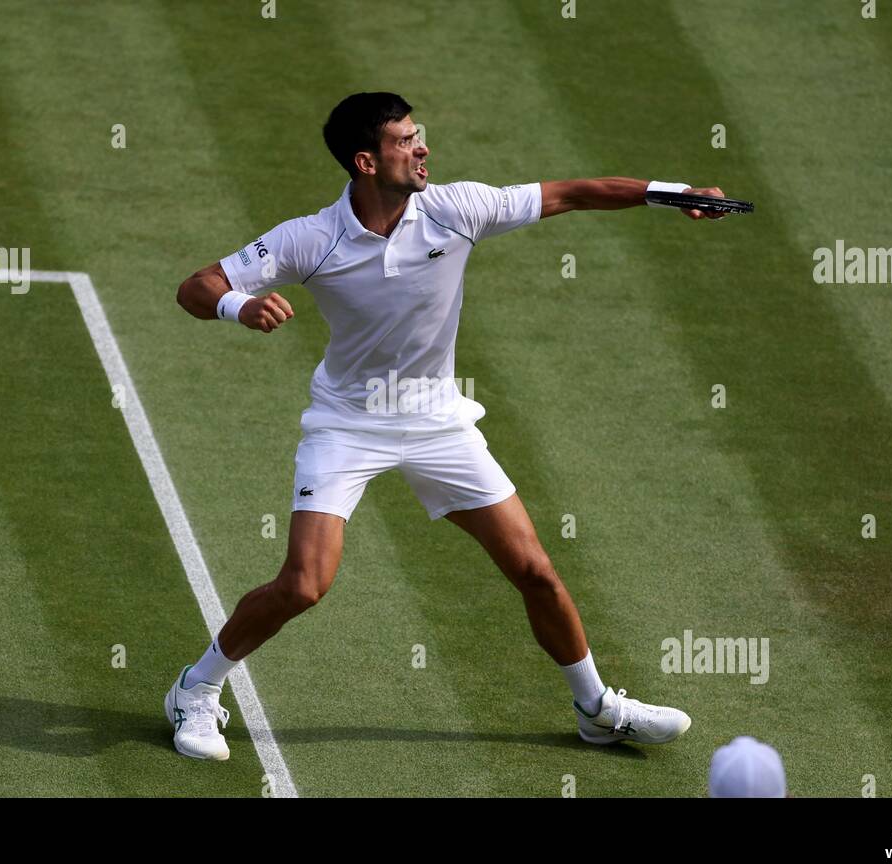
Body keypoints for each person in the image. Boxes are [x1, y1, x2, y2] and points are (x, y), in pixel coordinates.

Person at [168, 92, 728, 761]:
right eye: (407, 140)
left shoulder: (457, 208)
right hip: (349, 425)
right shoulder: (310, 238)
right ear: (366, 161)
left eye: (418, 134)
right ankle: (194, 689)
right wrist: (238, 305)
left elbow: (574, 192)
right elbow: (197, 284)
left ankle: (596, 707)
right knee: (305, 582)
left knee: (535, 570)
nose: (423, 147)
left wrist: (672, 193)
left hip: (438, 422)